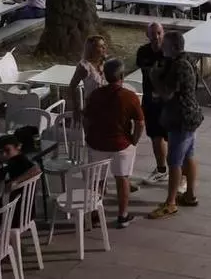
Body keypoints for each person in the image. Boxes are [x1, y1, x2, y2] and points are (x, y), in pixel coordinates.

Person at [147, 32, 203, 220]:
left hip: (180, 118)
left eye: (164, 44)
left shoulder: (178, 66)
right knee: (189, 156)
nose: (161, 47)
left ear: (172, 46)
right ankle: (190, 195)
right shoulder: (188, 59)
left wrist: (154, 77)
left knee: (174, 162)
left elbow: (167, 93)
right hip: (192, 114)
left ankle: (170, 203)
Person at [84, 58, 145, 228]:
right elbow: (140, 122)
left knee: (97, 180)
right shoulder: (129, 96)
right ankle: (122, 215)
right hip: (120, 143)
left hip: (97, 142)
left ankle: (94, 214)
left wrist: (88, 135)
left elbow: (86, 118)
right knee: (122, 177)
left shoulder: (95, 95)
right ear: (122, 76)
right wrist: (134, 140)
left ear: (104, 75)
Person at [136, 23, 171, 186]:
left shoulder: (169, 53)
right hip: (150, 101)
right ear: (147, 35)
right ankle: (161, 170)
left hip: (168, 102)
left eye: (158, 33)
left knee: (172, 138)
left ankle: (181, 174)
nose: (156, 37)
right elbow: (146, 71)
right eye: (152, 34)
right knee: (155, 137)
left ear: (163, 33)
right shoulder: (143, 52)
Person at [68, 35, 109, 125]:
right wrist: (76, 108)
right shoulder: (84, 67)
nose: (104, 48)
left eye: (104, 45)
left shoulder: (107, 63)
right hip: (92, 108)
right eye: (100, 46)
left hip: (108, 107)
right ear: (91, 49)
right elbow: (72, 87)